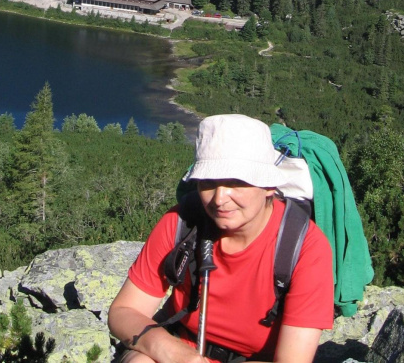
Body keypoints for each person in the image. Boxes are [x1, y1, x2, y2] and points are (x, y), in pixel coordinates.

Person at [108, 114, 334, 363]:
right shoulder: (183, 223)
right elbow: (123, 312)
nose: (219, 198)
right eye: (208, 183)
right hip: (179, 346)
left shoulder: (305, 248)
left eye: (237, 183)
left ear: (269, 186)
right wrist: (170, 351)